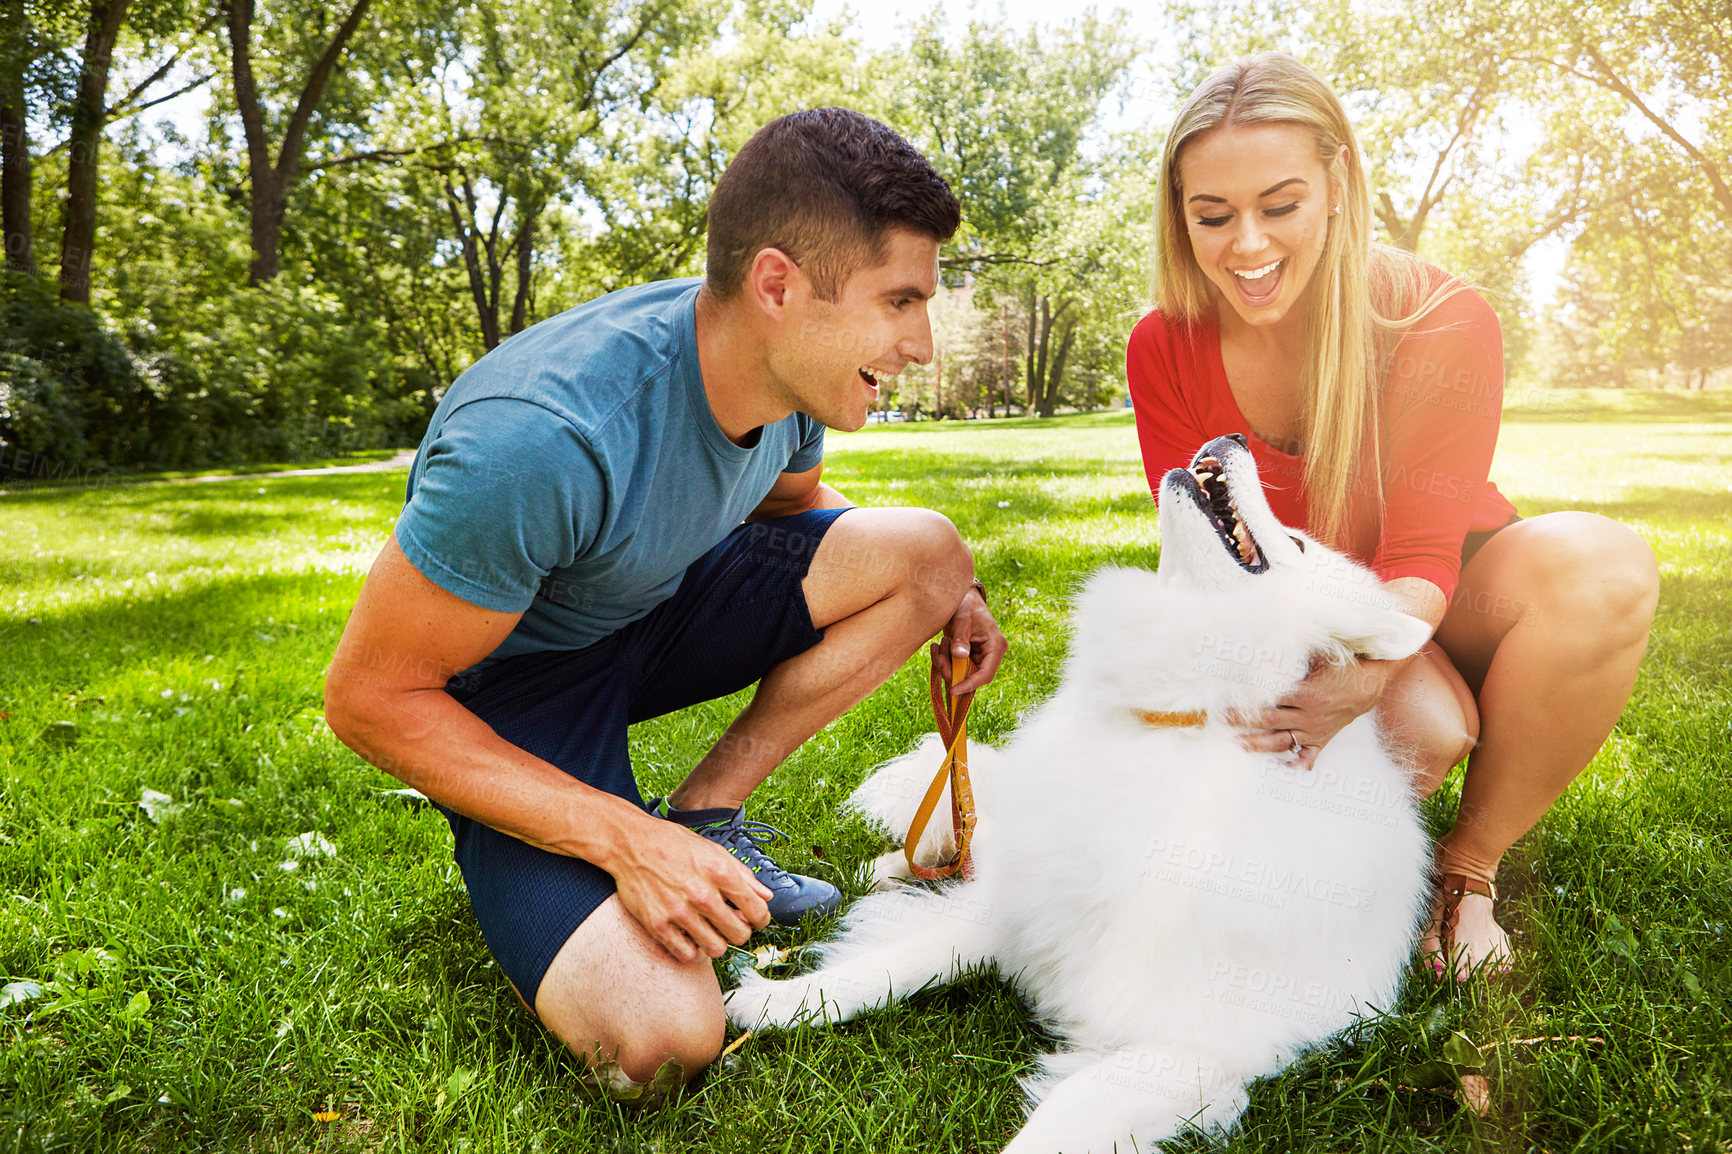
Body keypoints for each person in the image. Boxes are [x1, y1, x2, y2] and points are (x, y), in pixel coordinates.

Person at [322, 107, 1008, 1094]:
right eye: (899, 300)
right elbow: (369, 698)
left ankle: (704, 813)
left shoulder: (784, 380)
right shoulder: (540, 438)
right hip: (508, 694)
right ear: (777, 283)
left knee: (930, 553)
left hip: (655, 607)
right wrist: (614, 833)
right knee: (660, 1039)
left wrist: (951, 593)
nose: (922, 344)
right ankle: (623, 830)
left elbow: (794, 509)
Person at [1126, 53, 1658, 980]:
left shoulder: (1437, 316)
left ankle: (1466, 876)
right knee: (1428, 727)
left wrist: (1370, 674)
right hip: (1304, 609)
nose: (1246, 245)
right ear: (1181, 215)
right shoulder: (1163, 344)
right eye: (1212, 217)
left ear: (1338, 183)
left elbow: (1419, 552)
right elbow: (1205, 550)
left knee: (1600, 566)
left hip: (1448, 592)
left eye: (1279, 206)